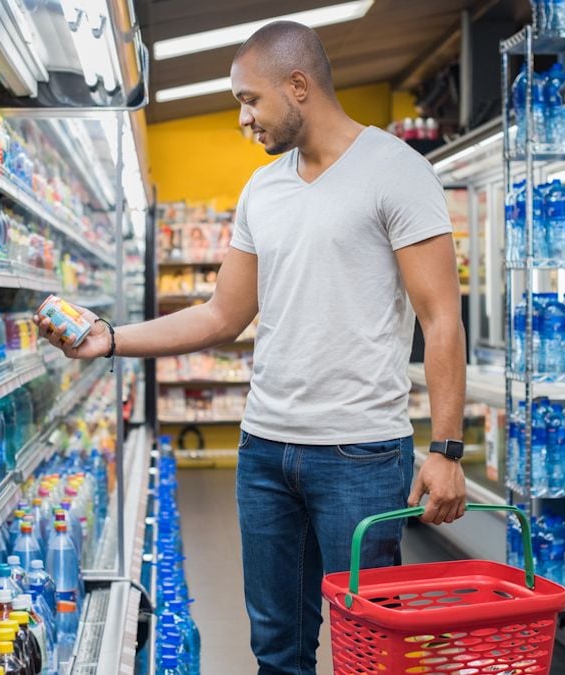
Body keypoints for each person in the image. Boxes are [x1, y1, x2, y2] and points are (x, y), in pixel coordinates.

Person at [35, 20, 468, 675]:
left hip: (360, 453)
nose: (242, 118)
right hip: (264, 451)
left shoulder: (395, 172)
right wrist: (112, 339)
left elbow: (441, 319)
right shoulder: (262, 190)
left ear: (299, 86)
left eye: (248, 99)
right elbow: (219, 315)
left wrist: (446, 448)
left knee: (369, 652)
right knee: (276, 648)